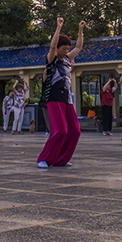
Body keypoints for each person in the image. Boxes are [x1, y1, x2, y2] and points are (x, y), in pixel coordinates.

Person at [36, 18, 85, 169]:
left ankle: (61, 159)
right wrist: (58, 28)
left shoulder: (67, 60)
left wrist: (80, 31)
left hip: (67, 99)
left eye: (67, 48)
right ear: (57, 48)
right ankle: (44, 159)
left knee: (75, 131)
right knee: (60, 131)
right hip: (54, 99)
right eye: (63, 48)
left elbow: (78, 48)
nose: (66, 51)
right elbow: (52, 46)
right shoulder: (52, 60)